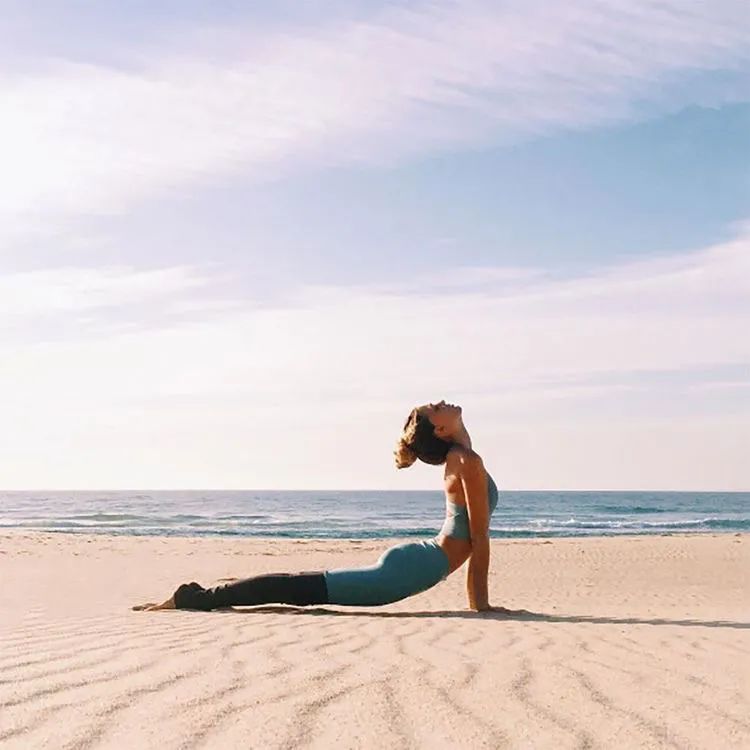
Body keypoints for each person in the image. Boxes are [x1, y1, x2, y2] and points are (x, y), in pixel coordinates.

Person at [134, 400, 503, 613]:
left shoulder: (465, 458)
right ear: (440, 430)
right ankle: (193, 598)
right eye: (435, 408)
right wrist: (481, 607)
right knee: (302, 590)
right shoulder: (466, 462)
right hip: (408, 571)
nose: (442, 402)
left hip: (418, 565)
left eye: (435, 405)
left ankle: (214, 592)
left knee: (303, 586)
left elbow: (475, 539)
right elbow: (480, 540)